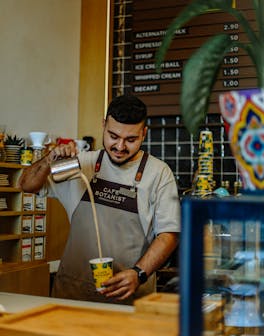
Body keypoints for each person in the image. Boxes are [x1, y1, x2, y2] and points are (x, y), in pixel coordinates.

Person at [19, 95, 180, 304]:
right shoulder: (82, 164)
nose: (120, 146)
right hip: (72, 295)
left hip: (129, 298)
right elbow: (26, 185)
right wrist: (49, 159)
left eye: (131, 140)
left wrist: (138, 273)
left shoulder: (159, 173)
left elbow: (169, 234)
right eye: (113, 136)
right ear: (103, 125)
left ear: (144, 133)